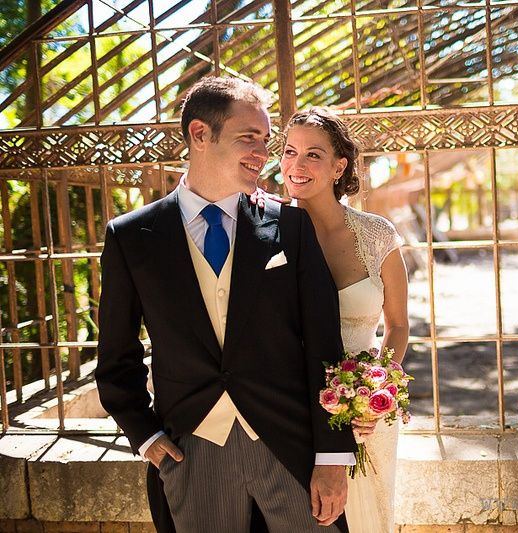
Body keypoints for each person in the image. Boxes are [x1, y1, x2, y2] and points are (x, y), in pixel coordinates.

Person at [96, 77, 356, 533]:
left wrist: (333, 455)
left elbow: (323, 348)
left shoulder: (291, 227)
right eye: (248, 137)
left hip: (289, 446)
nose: (263, 152)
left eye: (265, 139)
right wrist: (147, 437)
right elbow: (117, 356)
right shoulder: (132, 237)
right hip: (192, 452)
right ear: (200, 134)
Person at [279, 107, 409, 533]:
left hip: (364, 415)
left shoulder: (377, 236)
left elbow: (398, 325)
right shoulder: (264, 234)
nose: (297, 166)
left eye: (313, 155)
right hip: (293, 410)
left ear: (339, 166)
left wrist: (376, 391)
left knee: (367, 522)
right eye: (289, 151)